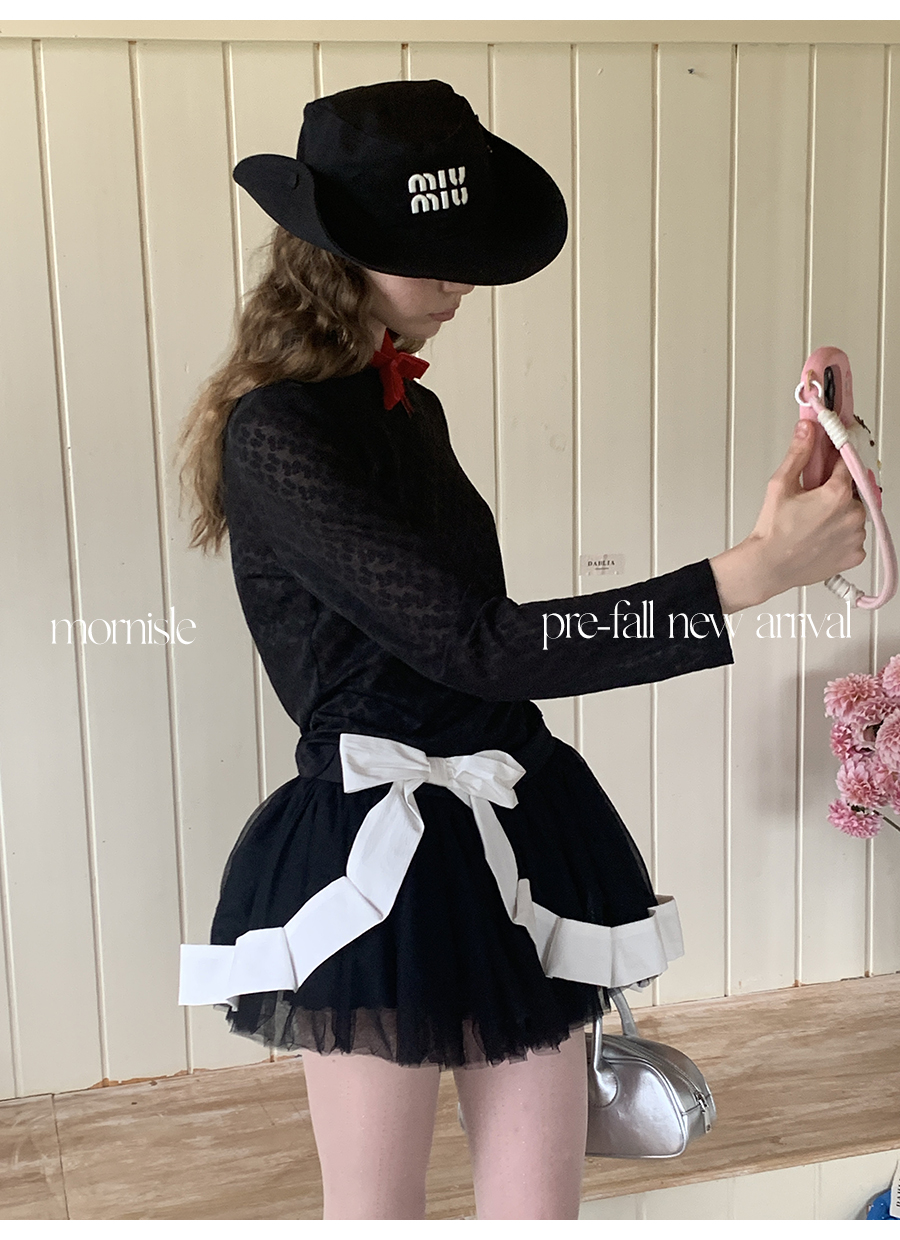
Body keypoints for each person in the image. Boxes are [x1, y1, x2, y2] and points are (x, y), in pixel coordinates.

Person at [174, 80, 866, 1221]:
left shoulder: (408, 409)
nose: (461, 282)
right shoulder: (277, 432)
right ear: (333, 250)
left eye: (468, 254)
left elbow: (479, 645)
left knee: (541, 1213)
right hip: (377, 855)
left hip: (511, 818)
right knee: (377, 1215)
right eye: (432, 255)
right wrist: (748, 573)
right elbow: (480, 644)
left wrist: (762, 559)